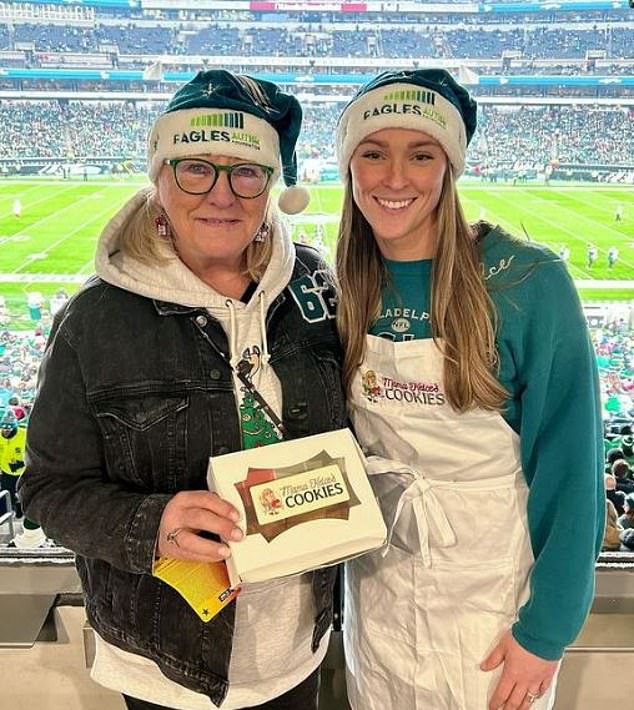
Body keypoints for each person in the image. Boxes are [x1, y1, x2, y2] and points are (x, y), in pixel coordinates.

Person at [19, 69, 346, 710]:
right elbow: (49, 490)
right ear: (160, 178)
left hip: (299, 648)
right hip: (167, 663)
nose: (221, 194)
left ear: (273, 185)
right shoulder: (96, 321)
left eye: (247, 171)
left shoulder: (316, 288)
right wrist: (153, 523)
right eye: (196, 168)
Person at [334, 69, 603, 710]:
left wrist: (547, 632)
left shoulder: (526, 282)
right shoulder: (341, 283)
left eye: (421, 154)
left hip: (494, 606)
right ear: (349, 165)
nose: (395, 178)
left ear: (450, 166)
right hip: (377, 593)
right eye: (373, 153)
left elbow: (571, 469)